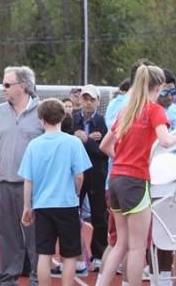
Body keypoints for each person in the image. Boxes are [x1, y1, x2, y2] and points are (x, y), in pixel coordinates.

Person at [95, 65, 176, 286]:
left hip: (116, 179)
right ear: (159, 87)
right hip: (135, 181)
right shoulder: (155, 111)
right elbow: (166, 141)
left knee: (120, 243)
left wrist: (121, 159)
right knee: (138, 247)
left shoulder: (126, 110)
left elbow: (104, 145)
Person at [20, 98, 92, 286]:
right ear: (63, 117)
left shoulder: (34, 145)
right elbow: (79, 176)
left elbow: (28, 180)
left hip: (43, 205)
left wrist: (27, 206)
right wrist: (75, 193)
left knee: (44, 253)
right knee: (69, 255)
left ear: (41, 119)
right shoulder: (73, 143)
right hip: (67, 204)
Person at [0, 65, 43, 286]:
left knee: (36, 238)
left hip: (34, 187)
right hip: (4, 185)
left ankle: (37, 280)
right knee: (8, 236)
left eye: (6, 84)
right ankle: (7, 281)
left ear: (22, 86)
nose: (3, 89)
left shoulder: (43, 111)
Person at [72, 85, 109, 269]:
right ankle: (75, 254)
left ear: (98, 101)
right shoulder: (72, 120)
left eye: (91, 99)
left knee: (99, 216)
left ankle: (99, 254)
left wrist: (86, 140)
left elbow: (105, 151)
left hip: (96, 174)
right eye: (85, 98)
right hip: (76, 174)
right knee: (72, 213)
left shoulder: (102, 122)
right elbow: (69, 145)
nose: (87, 102)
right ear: (80, 100)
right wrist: (83, 139)